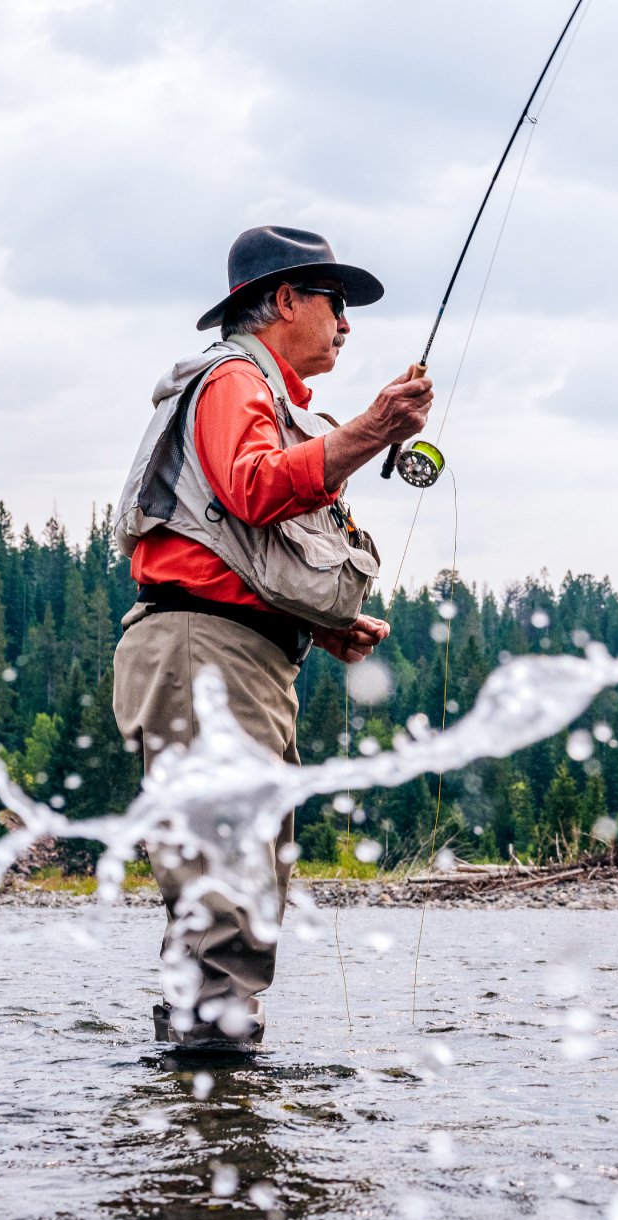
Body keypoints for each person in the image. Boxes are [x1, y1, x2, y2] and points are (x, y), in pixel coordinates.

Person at [112, 226, 433, 1048]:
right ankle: (215, 1109)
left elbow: (228, 543)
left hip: (220, 650)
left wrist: (321, 625)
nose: (347, 325)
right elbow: (254, 491)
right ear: (286, 300)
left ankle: (202, 1113)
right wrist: (370, 430)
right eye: (337, 304)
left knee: (233, 874)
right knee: (230, 881)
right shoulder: (233, 379)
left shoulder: (251, 388)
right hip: (204, 655)